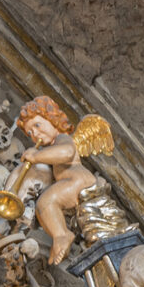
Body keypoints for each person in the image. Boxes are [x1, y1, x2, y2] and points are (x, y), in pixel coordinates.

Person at [16, 96, 99, 264]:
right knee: (42, 210)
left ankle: (62, 235)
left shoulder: (62, 139)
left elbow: (66, 153)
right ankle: (58, 236)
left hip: (78, 180)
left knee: (46, 202)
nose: (35, 134)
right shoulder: (53, 145)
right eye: (30, 133)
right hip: (72, 182)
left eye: (37, 126)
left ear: (53, 120)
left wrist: (37, 156)